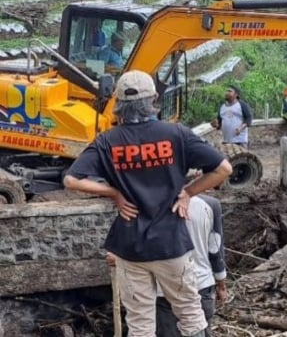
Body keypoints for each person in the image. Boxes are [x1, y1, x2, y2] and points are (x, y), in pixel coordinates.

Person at [63, 70, 233, 337]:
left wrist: (114, 193)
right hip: (171, 245)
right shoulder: (176, 134)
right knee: (190, 314)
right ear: (154, 98)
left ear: (118, 102)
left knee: (140, 323)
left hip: (130, 247)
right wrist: (188, 192)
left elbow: (71, 180)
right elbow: (224, 169)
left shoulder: (108, 140)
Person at [106, 195, 227, 337]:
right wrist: (221, 283)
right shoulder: (209, 204)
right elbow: (215, 248)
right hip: (201, 284)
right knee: (197, 326)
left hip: (162, 290)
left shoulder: (141, 202)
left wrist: (122, 256)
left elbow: (138, 242)